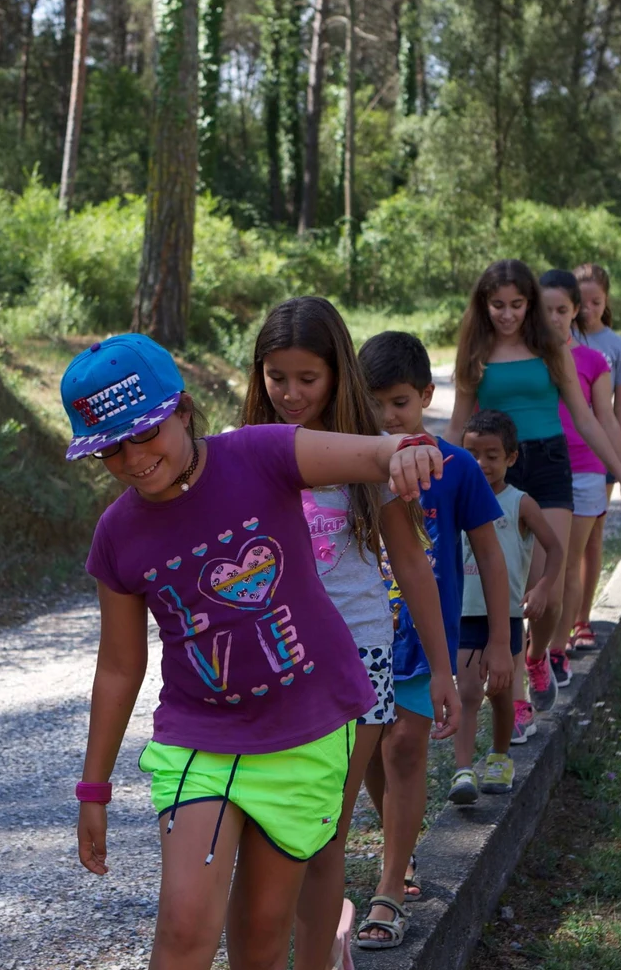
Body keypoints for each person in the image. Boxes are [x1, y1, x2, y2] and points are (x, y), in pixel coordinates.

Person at [70, 332, 447, 970]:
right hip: (200, 740)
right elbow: (118, 667)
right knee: (184, 931)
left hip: (309, 732)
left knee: (262, 943)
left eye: (147, 433)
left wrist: (402, 451)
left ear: (183, 410)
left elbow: (369, 452)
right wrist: (93, 787)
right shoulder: (119, 535)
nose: (134, 459)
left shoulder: (257, 454)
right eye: (110, 449)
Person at [240, 299, 459, 968]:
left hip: (358, 658)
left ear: (337, 375)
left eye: (308, 377)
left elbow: (414, 565)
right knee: (274, 830)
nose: (291, 392)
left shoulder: (370, 459)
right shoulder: (242, 450)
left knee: (325, 833)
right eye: (277, 376)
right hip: (275, 660)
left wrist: (444, 670)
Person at [354, 330, 511, 948]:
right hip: (361, 642)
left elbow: (491, 560)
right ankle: (400, 843)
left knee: (403, 751)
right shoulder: (350, 467)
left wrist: (498, 642)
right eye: (374, 404)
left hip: (425, 644)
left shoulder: (458, 467)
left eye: (399, 402)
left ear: (426, 395)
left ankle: (389, 891)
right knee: (367, 754)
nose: (387, 417)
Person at [446, 259, 621, 717]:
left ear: (530, 304)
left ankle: (537, 658)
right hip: (496, 472)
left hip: (551, 464)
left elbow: (586, 417)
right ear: (483, 305)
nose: (507, 314)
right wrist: (433, 474)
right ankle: (517, 701)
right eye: (497, 305)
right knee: (514, 587)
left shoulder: (551, 345)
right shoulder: (475, 351)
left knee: (548, 591)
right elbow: (459, 422)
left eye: (517, 304)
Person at [448, 409, 563, 803]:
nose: (482, 464)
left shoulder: (519, 504)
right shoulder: (455, 500)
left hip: (507, 617)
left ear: (511, 458)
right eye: (472, 454)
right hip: (463, 613)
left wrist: (544, 587)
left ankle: (499, 757)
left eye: (492, 455)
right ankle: (463, 770)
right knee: (466, 692)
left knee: (499, 693)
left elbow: (555, 547)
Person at [538, 268, 621, 688]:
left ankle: (556, 650)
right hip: (536, 469)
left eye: (562, 310)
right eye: (545, 309)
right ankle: (533, 651)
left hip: (586, 471)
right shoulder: (526, 357)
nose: (553, 318)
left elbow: (604, 419)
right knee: (536, 568)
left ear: (574, 312)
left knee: (568, 563)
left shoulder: (594, 360)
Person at [564, 263, 621, 663]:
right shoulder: (558, 340)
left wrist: (620, 460)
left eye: (597, 301)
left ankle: (582, 620)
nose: (589, 309)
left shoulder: (617, 347)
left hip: (602, 454)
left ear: (606, 301)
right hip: (565, 454)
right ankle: (555, 619)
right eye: (583, 301)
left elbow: (619, 409)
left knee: (592, 537)